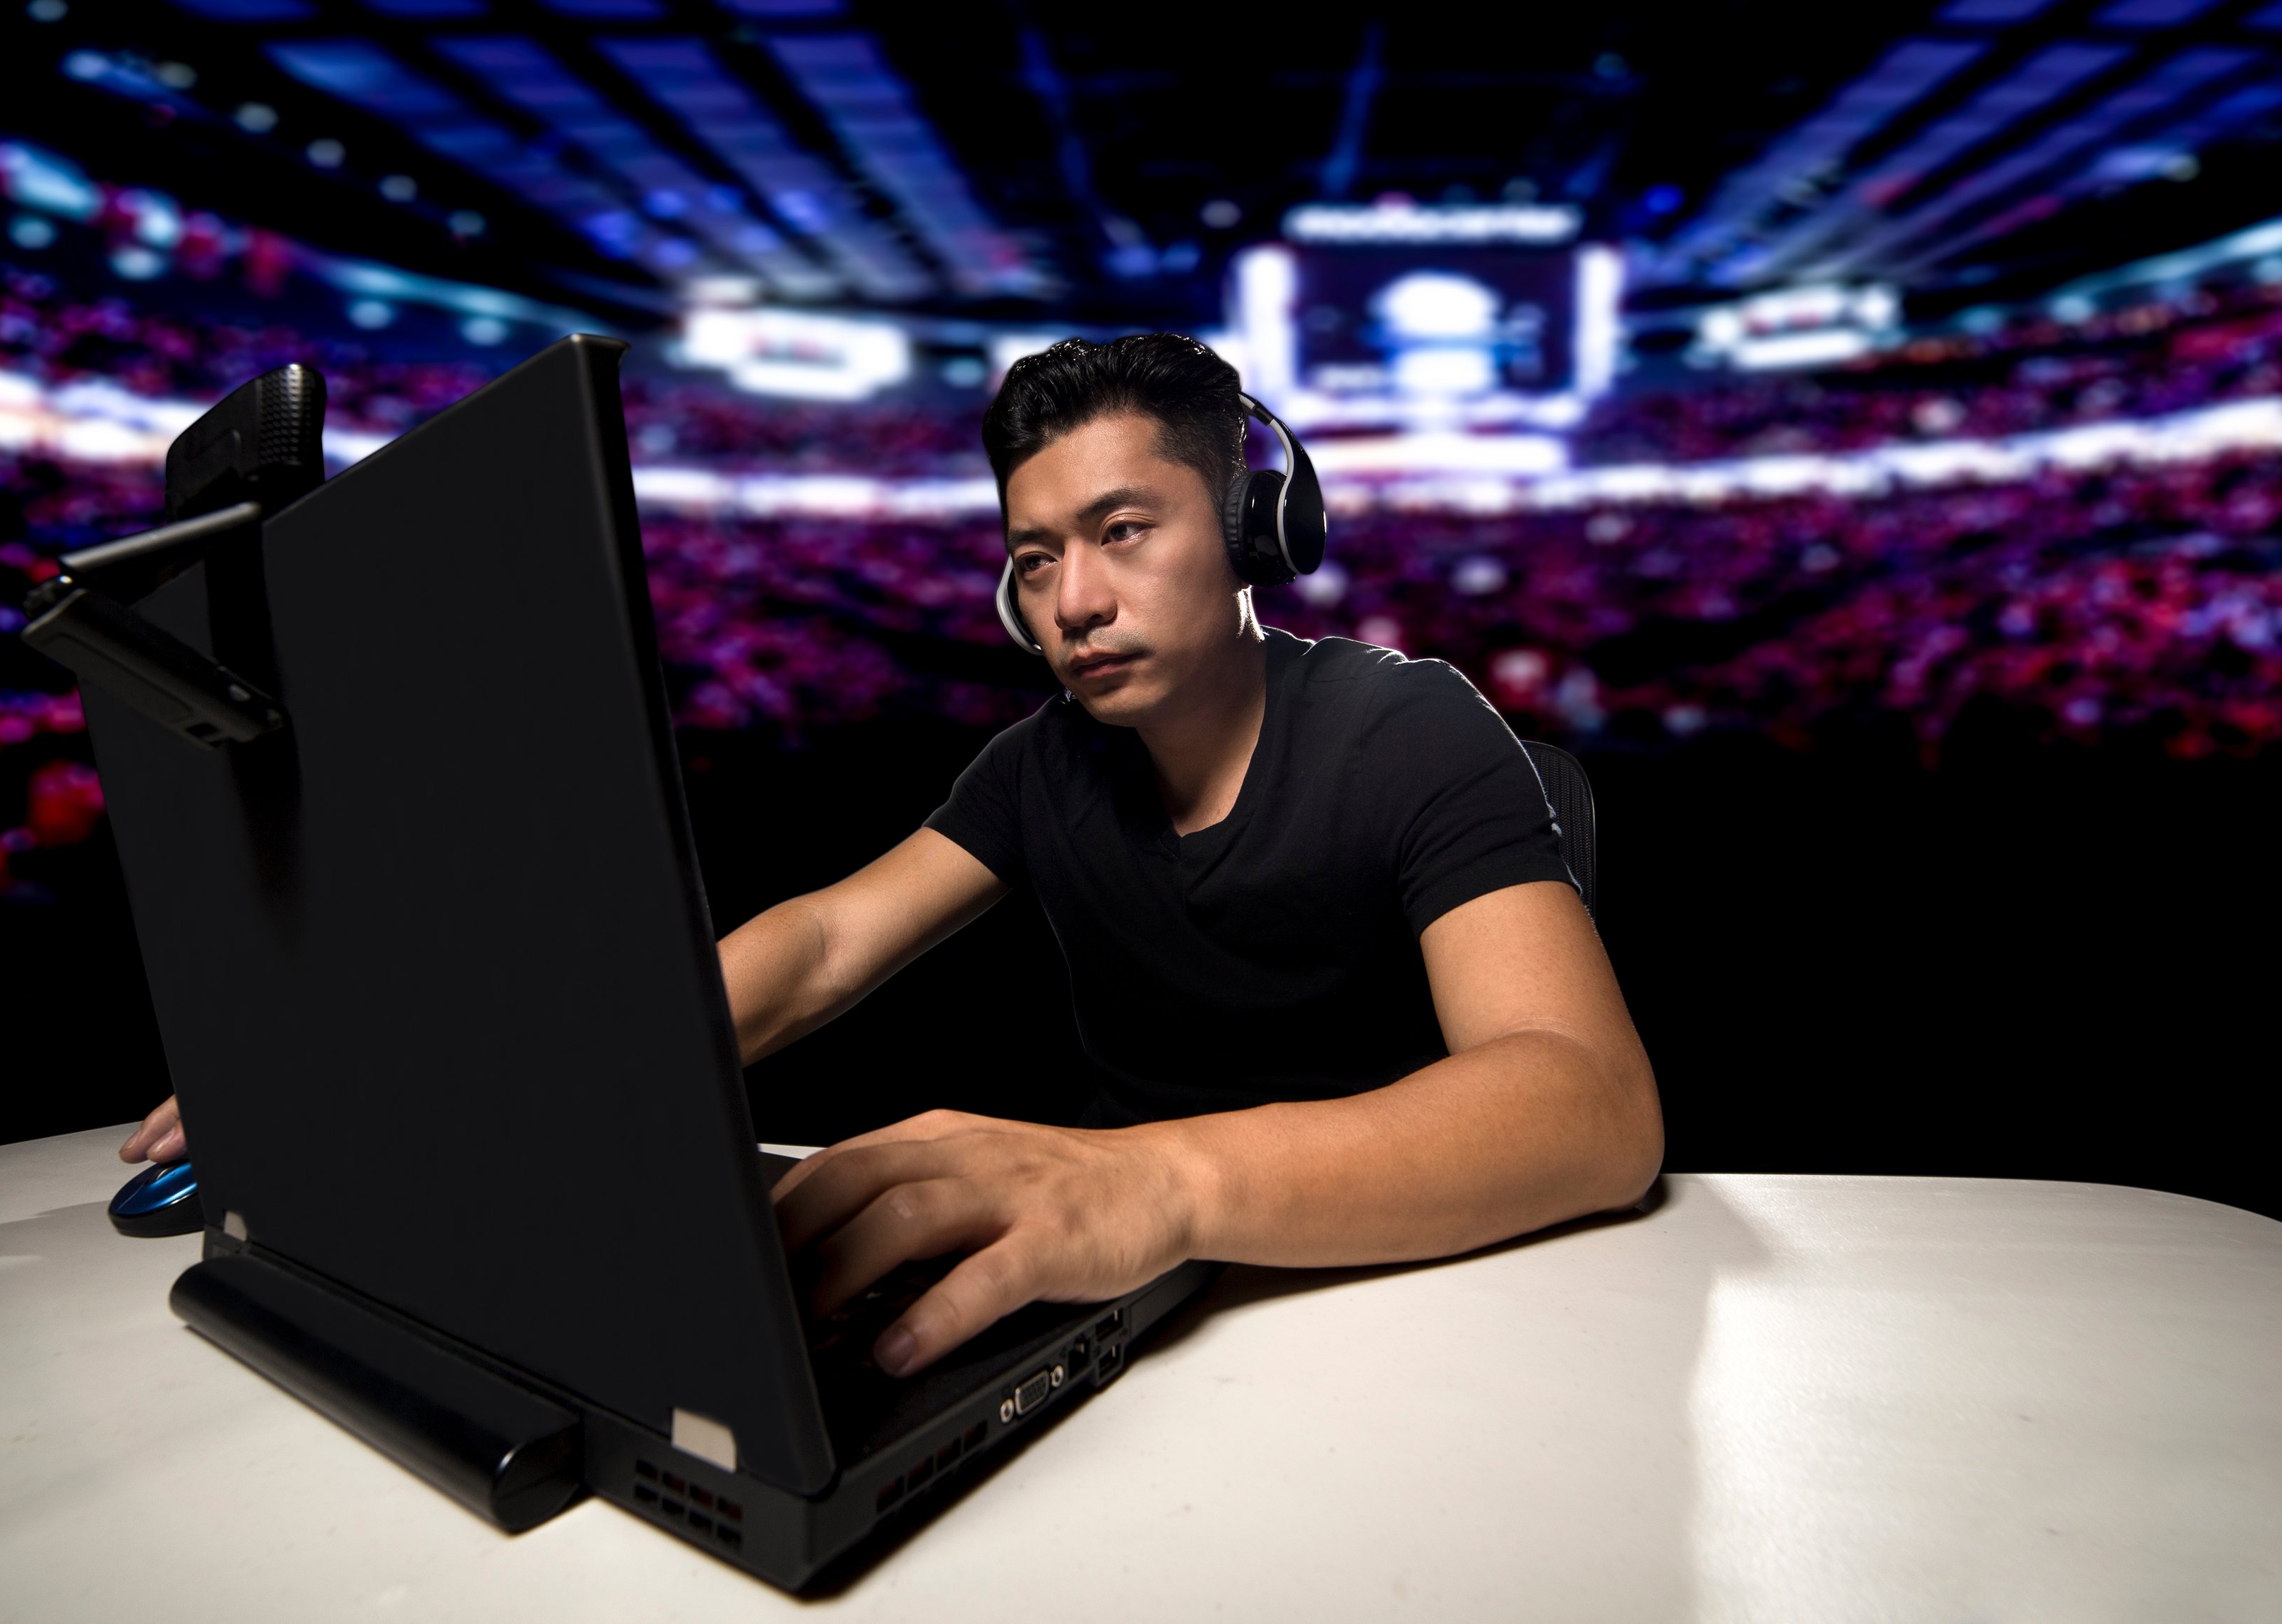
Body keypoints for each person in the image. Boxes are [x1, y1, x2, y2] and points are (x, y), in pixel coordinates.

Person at [124, 334, 1662, 1379]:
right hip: (1113, 1295)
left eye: (1123, 531)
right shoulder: (1038, 765)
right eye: (1035, 556)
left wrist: (1161, 1180)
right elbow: (818, 951)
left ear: (1255, 532)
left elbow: (1587, 1105)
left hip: (1404, 1302)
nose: (1071, 598)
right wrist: (421, 1063)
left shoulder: (1409, 731)